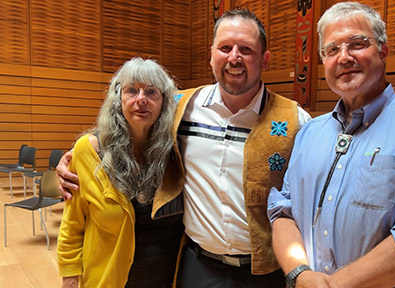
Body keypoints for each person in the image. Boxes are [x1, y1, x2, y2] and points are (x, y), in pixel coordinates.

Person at [56, 9, 311, 288]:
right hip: (197, 265)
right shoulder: (181, 107)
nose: (234, 57)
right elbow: (131, 121)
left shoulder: (295, 119)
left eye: (246, 49)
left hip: (265, 271)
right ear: (211, 55)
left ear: (264, 59)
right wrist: (79, 154)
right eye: (225, 48)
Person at [267, 2, 395, 288]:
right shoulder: (309, 132)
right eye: (332, 49)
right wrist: (300, 274)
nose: (344, 57)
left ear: (383, 51)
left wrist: (331, 286)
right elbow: (283, 210)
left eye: (357, 43)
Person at [57, 57, 184, 288]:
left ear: (165, 102)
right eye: (132, 90)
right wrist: (70, 276)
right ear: (119, 98)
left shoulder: (177, 151)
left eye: (152, 92)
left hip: (167, 279)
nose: (141, 99)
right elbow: (72, 222)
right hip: (109, 279)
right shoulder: (89, 150)